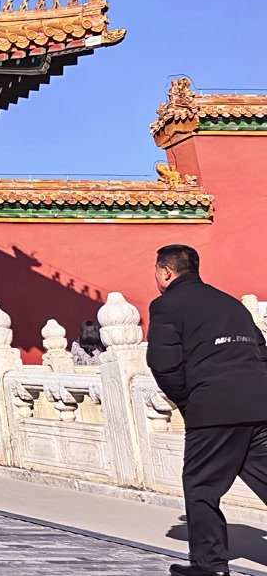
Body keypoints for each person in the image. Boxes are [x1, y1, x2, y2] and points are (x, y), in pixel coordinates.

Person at [146, 244, 267, 576]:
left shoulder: (166, 304)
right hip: (259, 406)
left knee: (202, 488)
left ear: (165, 271)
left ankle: (209, 566)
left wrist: (190, 401)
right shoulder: (231, 304)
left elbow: (163, 363)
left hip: (213, 410)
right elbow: (261, 352)